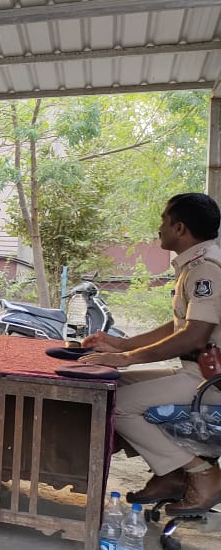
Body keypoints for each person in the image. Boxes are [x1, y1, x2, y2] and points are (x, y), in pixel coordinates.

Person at [81, 193, 221, 515]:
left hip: (209, 381)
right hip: (197, 373)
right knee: (113, 385)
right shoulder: (197, 264)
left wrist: (128, 358)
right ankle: (170, 473)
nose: (160, 228)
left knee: (115, 406)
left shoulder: (206, 269)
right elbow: (181, 325)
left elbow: (194, 335)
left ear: (180, 228)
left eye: (164, 221)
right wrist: (122, 346)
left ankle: (203, 474)